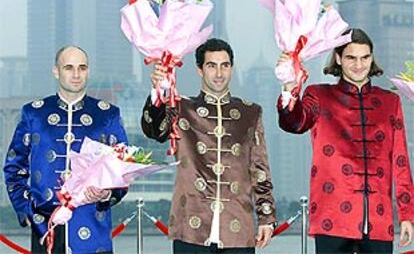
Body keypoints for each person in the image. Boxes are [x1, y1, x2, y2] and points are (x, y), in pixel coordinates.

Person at [277, 28, 414, 253]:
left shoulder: (390, 101)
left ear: (372, 58)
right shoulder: (318, 95)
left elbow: (400, 161)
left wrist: (407, 214)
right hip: (331, 218)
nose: (359, 65)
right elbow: (294, 124)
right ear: (339, 58)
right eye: (351, 57)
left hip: (378, 219)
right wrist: (289, 88)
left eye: (365, 57)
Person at [141, 38, 277, 253]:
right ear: (200, 70)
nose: (219, 73)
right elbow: (154, 131)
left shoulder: (250, 113)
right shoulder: (181, 107)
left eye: (225, 65)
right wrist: (158, 92)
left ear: (232, 68)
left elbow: (259, 168)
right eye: (211, 65)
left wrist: (266, 217)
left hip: (238, 227)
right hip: (191, 227)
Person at [3, 46, 128, 254]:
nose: (76, 74)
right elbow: (14, 166)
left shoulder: (107, 115)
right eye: (69, 67)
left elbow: (123, 170)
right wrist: (25, 210)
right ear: (56, 71)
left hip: (93, 225)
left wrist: (108, 194)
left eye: (82, 68)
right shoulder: (34, 113)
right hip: (45, 225)